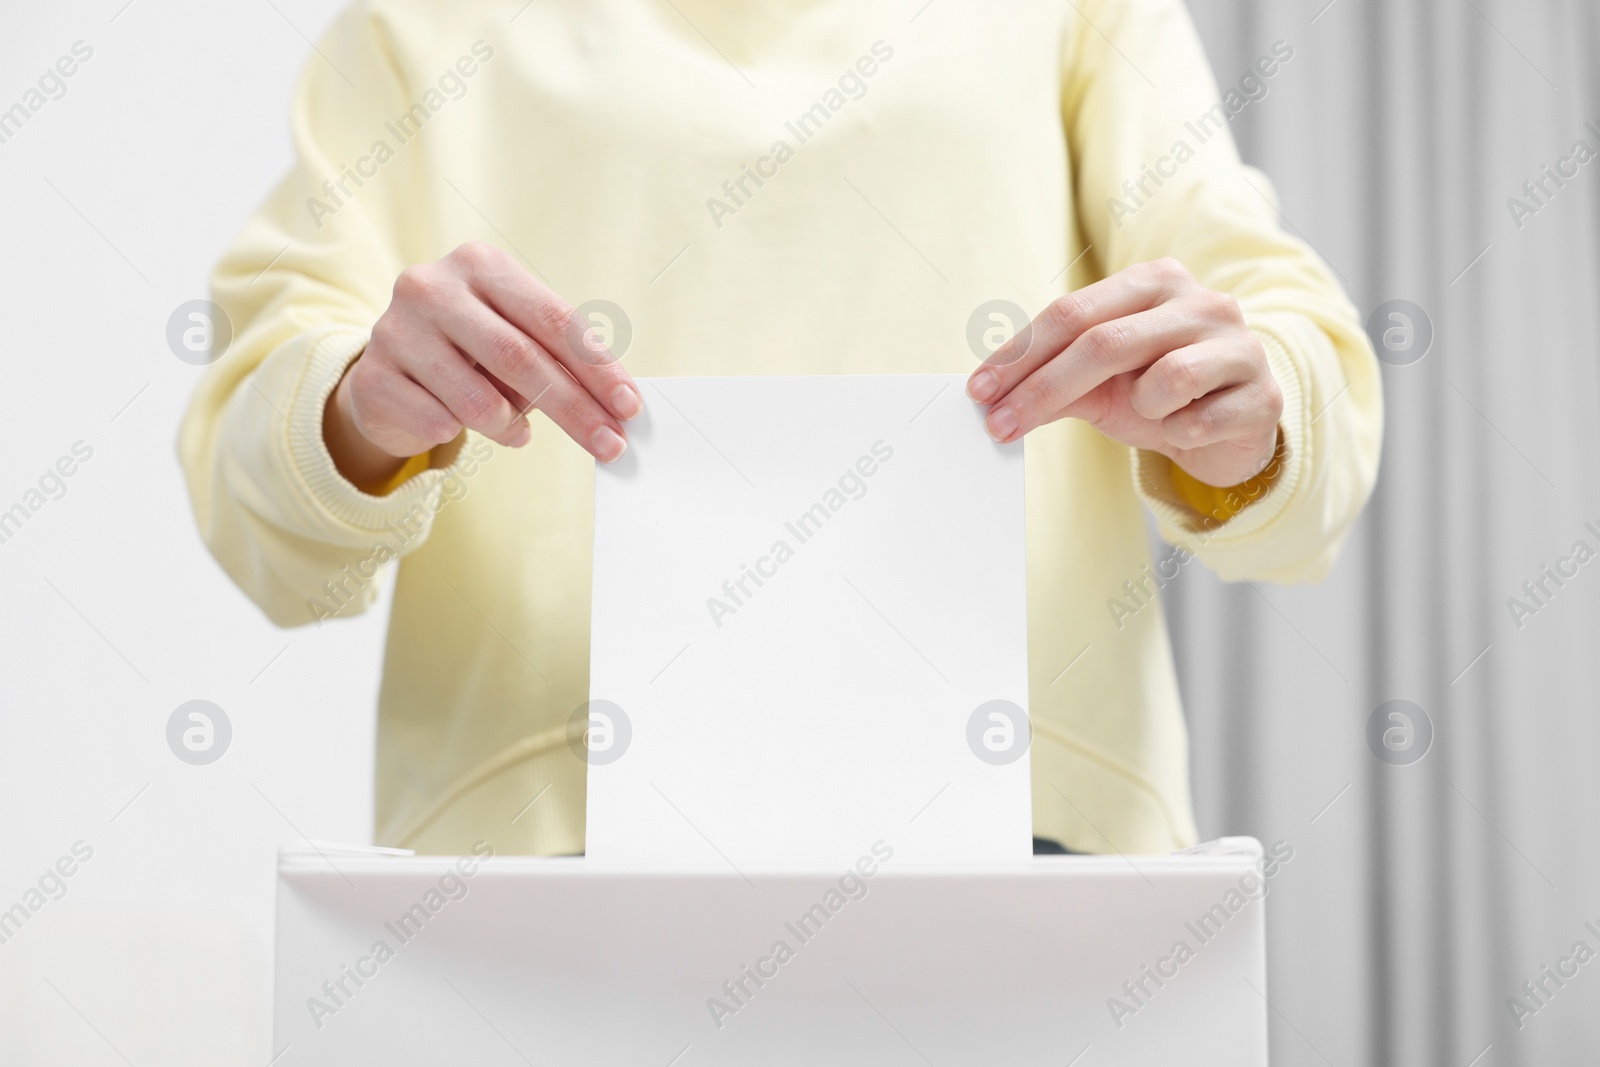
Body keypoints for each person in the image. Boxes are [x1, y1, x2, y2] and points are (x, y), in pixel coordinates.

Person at [179, 0, 1381, 857]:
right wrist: (354, 410)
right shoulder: (412, 26)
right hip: (542, 860)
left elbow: (1285, 356)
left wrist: (1250, 413)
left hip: (1027, 835)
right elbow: (259, 510)